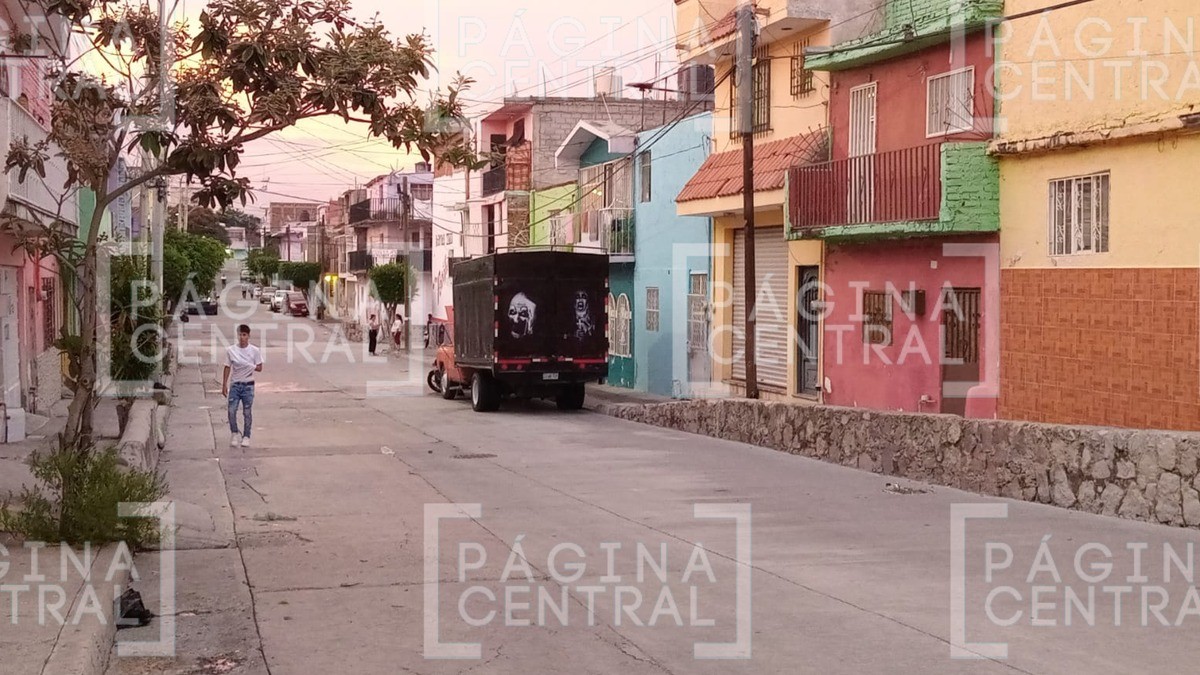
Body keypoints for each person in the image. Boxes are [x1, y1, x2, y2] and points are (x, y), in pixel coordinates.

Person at [222, 324, 263, 448]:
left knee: (247, 412)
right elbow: (227, 367)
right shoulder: (231, 350)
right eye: (240, 334)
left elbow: (260, 367)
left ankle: (246, 436)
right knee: (231, 410)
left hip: (248, 385)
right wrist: (224, 384)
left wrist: (249, 365)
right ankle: (234, 433)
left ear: (248, 336)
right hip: (235, 385)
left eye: (244, 335)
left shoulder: (254, 351)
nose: (242, 337)